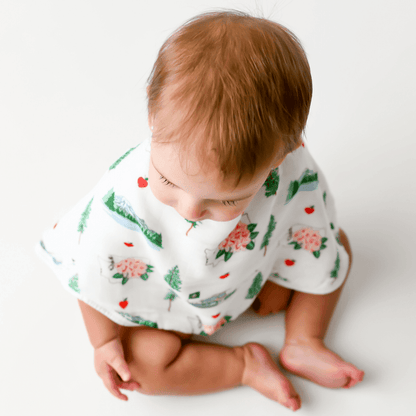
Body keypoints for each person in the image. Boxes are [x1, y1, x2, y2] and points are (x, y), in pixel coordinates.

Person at [35, 10, 364, 412]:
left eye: (226, 200)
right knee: (142, 367)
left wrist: (281, 267)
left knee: (335, 244)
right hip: (167, 298)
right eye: (169, 182)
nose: (190, 210)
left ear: (284, 153)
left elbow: (305, 221)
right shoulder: (123, 198)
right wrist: (104, 342)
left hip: (249, 271)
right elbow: (89, 274)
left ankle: (304, 341)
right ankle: (242, 365)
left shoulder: (289, 170)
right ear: (153, 120)